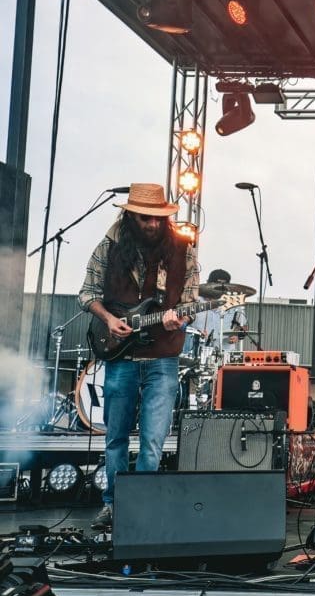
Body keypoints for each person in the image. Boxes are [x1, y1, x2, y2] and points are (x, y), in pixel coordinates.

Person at [78, 183, 199, 529]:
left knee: (153, 440)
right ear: (131, 215)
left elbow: (189, 302)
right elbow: (86, 293)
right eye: (145, 218)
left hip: (163, 358)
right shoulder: (110, 245)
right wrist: (108, 319)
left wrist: (182, 317)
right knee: (115, 437)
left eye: (158, 219)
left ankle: (143, 506)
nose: (152, 225)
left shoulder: (184, 250)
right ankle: (113, 505)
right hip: (120, 357)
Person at [192, 268, 248, 354]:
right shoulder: (194, 301)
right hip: (197, 352)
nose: (219, 291)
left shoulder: (234, 304)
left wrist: (237, 335)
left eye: (223, 288)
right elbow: (183, 325)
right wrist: (197, 332)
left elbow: (243, 326)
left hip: (226, 353)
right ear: (208, 284)